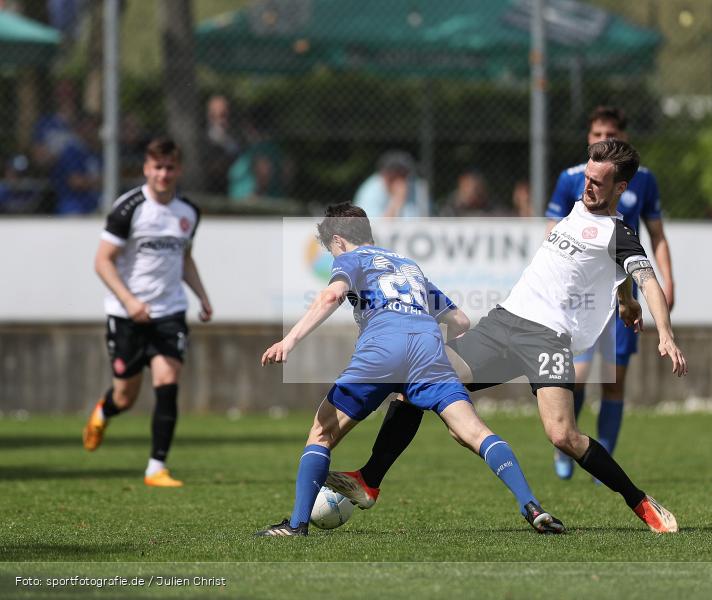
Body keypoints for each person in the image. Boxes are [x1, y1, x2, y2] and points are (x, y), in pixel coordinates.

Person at [325, 140, 687, 534]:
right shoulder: (579, 207)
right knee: (416, 382)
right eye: (587, 176)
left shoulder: (618, 231)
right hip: (504, 323)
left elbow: (645, 276)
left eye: (599, 182)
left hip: (547, 339)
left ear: (620, 188)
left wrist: (663, 331)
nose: (588, 186)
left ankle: (640, 501)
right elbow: (610, 272)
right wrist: (624, 299)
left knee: (563, 435)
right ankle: (370, 480)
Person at [255, 203, 564, 537]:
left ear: (339, 241)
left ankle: (297, 525)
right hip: (427, 349)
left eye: (331, 250)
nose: (333, 257)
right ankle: (532, 505)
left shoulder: (351, 259)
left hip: (382, 348)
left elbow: (332, 297)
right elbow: (459, 320)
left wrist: (289, 340)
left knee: (321, 433)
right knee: (475, 433)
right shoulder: (408, 266)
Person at [545, 105, 676, 480]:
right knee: (580, 375)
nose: (603, 140)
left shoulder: (642, 180)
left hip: (622, 292)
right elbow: (553, 231)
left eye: (610, 134)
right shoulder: (573, 178)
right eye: (597, 135)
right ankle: (568, 446)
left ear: (623, 137)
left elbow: (658, 235)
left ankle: (603, 459)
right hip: (582, 294)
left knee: (614, 380)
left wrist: (668, 281)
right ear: (588, 138)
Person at [82, 138, 213, 488]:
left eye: (170, 167)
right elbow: (102, 261)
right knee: (126, 396)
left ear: (179, 169)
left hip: (170, 312)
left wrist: (201, 296)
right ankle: (104, 411)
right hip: (127, 316)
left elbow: (184, 258)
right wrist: (129, 302)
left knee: (168, 384)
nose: (164, 174)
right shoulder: (128, 208)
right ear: (146, 168)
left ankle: (156, 467)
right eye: (157, 167)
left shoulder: (188, 212)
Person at [51, 112, 102, 215]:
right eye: (87, 127)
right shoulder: (72, 151)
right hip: (73, 203)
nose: (91, 131)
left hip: (95, 200)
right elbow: (75, 181)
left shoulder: (98, 152)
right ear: (79, 129)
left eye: (93, 127)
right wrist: (101, 181)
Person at [353, 151, 429, 218]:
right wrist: (396, 200)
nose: (398, 181)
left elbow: (426, 220)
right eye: (393, 176)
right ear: (383, 174)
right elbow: (374, 230)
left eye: (403, 175)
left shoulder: (417, 187)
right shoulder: (370, 191)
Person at [205, 95, 241, 196]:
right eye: (216, 115)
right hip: (212, 186)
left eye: (224, 114)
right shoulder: (204, 138)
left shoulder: (236, 135)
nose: (222, 120)